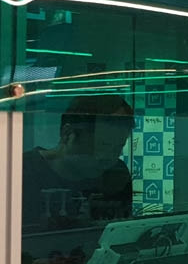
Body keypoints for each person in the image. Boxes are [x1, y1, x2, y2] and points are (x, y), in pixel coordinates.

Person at [22, 95, 135, 232]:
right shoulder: (21, 172)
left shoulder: (116, 174)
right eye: (102, 146)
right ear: (67, 134)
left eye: (118, 147)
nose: (108, 158)